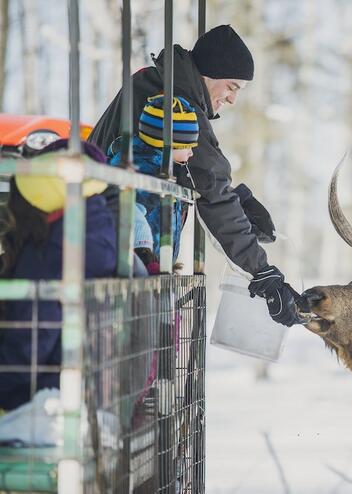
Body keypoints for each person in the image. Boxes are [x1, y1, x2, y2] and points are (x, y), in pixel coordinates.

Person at [89, 25, 305, 326]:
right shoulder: (177, 104)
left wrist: (239, 200)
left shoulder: (151, 82)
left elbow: (202, 175)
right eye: (231, 87)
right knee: (135, 346)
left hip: (104, 243)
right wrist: (262, 272)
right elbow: (212, 190)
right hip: (126, 258)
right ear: (210, 74)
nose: (232, 99)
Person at [0, 141, 116, 411]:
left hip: (42, 397)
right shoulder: (99, 229)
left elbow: (28, 345)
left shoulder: (51, 250)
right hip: (92, 391)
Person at [108, 94, 199, 269]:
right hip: (140, 266)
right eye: (187, 146)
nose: (191, 153)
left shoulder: (157, 167)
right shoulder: (145, 172)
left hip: (153, 265)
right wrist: (148, 262)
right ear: (168, 145)